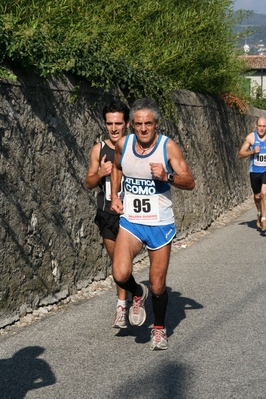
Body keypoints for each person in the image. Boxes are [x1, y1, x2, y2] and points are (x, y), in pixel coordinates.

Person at [110, 98, 195, 350]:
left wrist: (166, 176)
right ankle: (137, 293)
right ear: (132, 125)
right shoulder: (123, 144)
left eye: (148, 123)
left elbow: (189, 182)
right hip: (132, 221)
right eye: (138, 124)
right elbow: (117, 167)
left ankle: (159, 328)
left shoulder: (168, 147)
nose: (143, 129)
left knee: (157, 284)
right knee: (119, 273)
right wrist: (115, 195)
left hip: (160, 224)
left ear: (156, 124)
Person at [85, 99, 130, 328]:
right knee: (117, 265)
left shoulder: (135, 148)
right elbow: (89, 183)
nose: (114, 128)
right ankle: (129, 298)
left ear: (127, 124)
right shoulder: (98, 150)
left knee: (123, 265)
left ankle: (123, 304)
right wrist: (101, 172)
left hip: (130, 215)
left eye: (118, 123)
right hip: (106, 213)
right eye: (109, 123)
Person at [238, 116, 266, 231]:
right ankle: (259, 213)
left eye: (264, 126)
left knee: (264, 192)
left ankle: (264, 219)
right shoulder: (251, 137)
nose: (262, 129)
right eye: (260, 126)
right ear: (256, 125)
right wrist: (252, 151)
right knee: (257, 196)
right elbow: (241, 154)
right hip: (254, 171)